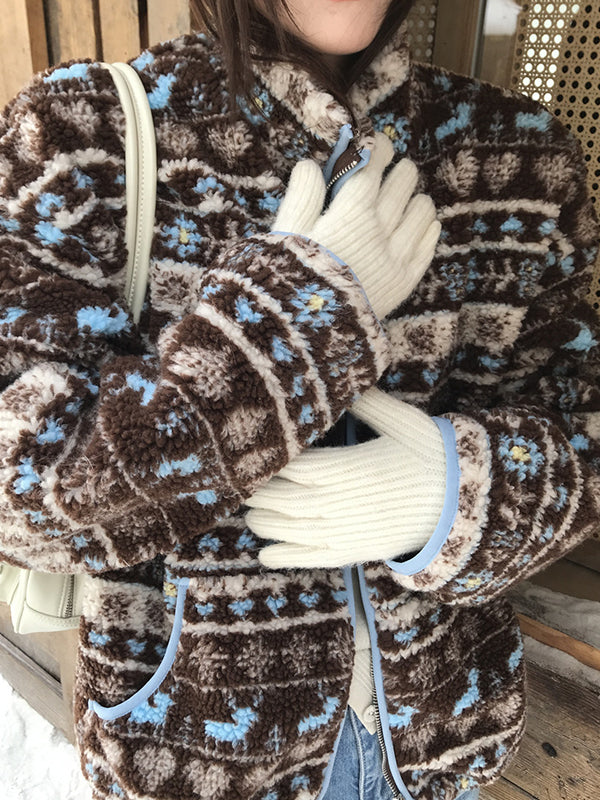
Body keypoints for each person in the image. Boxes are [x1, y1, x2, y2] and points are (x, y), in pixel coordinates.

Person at [0, 1, 598, 799]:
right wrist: (291, 319)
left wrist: (461, 494)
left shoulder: (518, 154)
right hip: (197, 753)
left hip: (442, 737)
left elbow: (583, 432)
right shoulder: (81, 136)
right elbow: (19, 497)